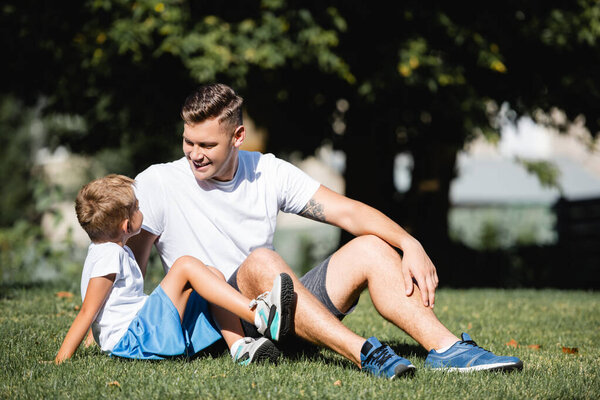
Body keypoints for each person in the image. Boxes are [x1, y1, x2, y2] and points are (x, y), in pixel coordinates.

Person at [128, 83, 523, 378]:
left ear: (237, 137)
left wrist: (409, 242)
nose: (194, 154)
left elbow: (348, 213)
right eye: (188, 141)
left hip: (278, 305)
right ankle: (364, 353)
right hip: (220, 323)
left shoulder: (268, 171)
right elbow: (133, 266)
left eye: (207, 145)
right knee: (262, 261)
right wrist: (108, 329)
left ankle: (447, 349)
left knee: (370, 246)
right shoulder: (159, 182)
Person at [55, 174, 295, 365]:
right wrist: (61, 360)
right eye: (137, 208)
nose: (142, 211)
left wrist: (93, 340)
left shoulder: (110, 250)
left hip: (140, 332)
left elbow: (103, 307)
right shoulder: (108, 254)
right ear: (127, 225)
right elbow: (88, 310)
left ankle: (239, 347)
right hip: (133, 340)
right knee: (185, 265)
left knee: (212, 274)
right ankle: (260, 316)